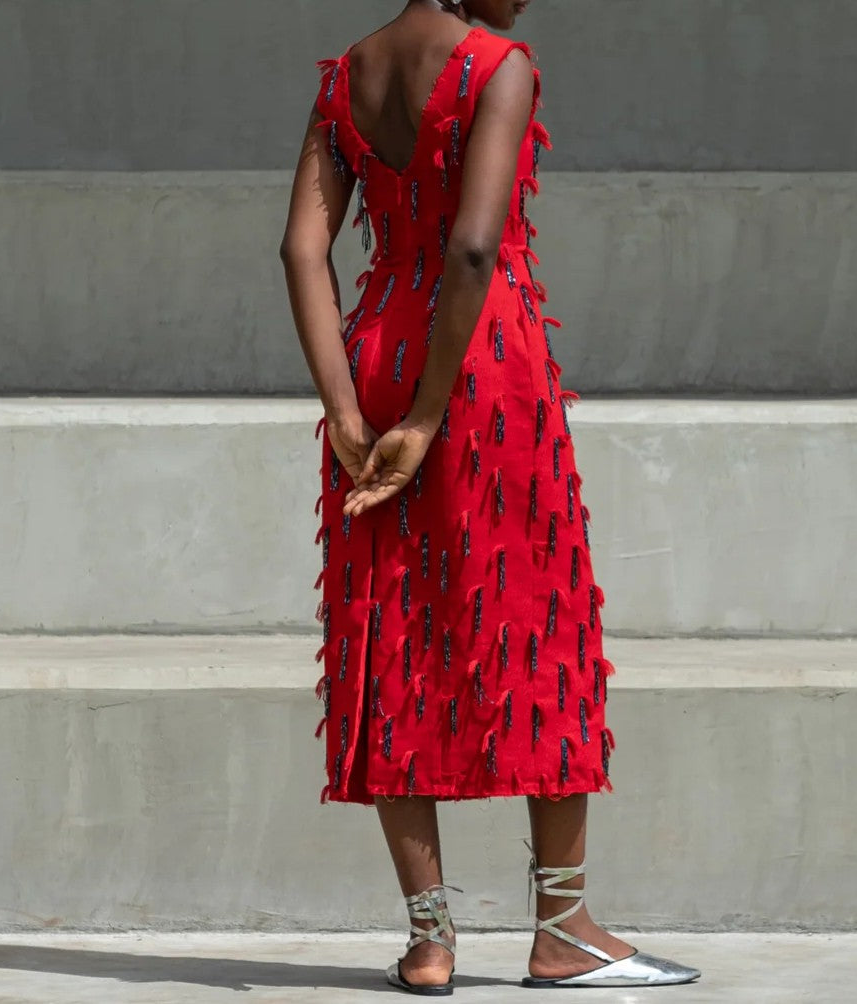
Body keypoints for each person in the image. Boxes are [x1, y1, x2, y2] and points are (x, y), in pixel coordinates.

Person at [279, 0, 701, 993]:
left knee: (387, 624)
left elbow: (303, 251)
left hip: (375, 345)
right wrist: (426, 417)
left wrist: (347, 412)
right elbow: (473, 246)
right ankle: (563, 927)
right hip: (479, 365)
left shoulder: (347, 74)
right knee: (536, 623)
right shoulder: (495, 64)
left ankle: (430, 940)